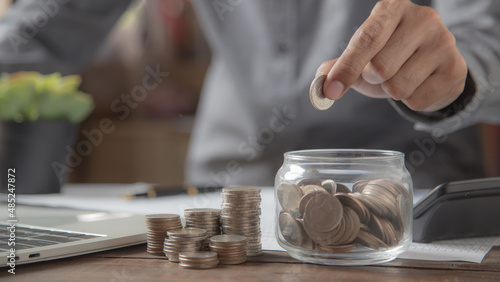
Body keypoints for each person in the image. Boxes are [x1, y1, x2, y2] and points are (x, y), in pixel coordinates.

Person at [1, 0, 499, 189]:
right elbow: (47, 28)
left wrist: (453, 77)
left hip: (408, 188)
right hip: (224, 185)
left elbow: (482, 34)